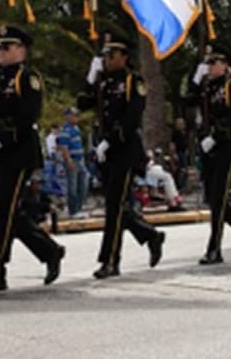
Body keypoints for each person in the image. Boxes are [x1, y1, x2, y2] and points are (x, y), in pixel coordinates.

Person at [0, 25, 65, 293]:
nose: (0, 52)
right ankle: (49, 250)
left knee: (4, 213)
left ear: (21, 50)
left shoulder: (27, 78)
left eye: (6, 47)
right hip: (0, 153)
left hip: (19, 151)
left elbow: (27, 118)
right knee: (7, 211)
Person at [77, 33, 166, 279]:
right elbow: (82, 103)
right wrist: (91, 77)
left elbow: (132, 118)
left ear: (124, 56)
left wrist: (109, 141)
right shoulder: (103, 82)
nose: (107, 59)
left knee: (114, 208)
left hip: (125, 150)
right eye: (104, 55)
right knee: (116, 206)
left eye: (111, 54)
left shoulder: (132, 81)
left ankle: (110, 261)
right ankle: (150, 235)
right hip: (106, 152)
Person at [185, 45, 231, 264]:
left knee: (218, 199)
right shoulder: (205, 87)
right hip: (208, 148)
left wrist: (215, 136)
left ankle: (214, 249)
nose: (209, 67)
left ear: (225, 65)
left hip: (225, 146)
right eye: (207, 64)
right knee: (213, 199)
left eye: (213, 63)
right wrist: (195, 80)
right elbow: (188, 100)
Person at [57, 106, 89, 218]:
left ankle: (79, 207)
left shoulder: (76, 129)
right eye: (74, 115)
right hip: (72, 159)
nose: (76, 117)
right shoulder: (65, 130)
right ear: (67, 117)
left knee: (83, 183)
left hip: (80, 159)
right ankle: (73, 211)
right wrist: (68, 160)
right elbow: (63, 146)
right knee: (73, 186)